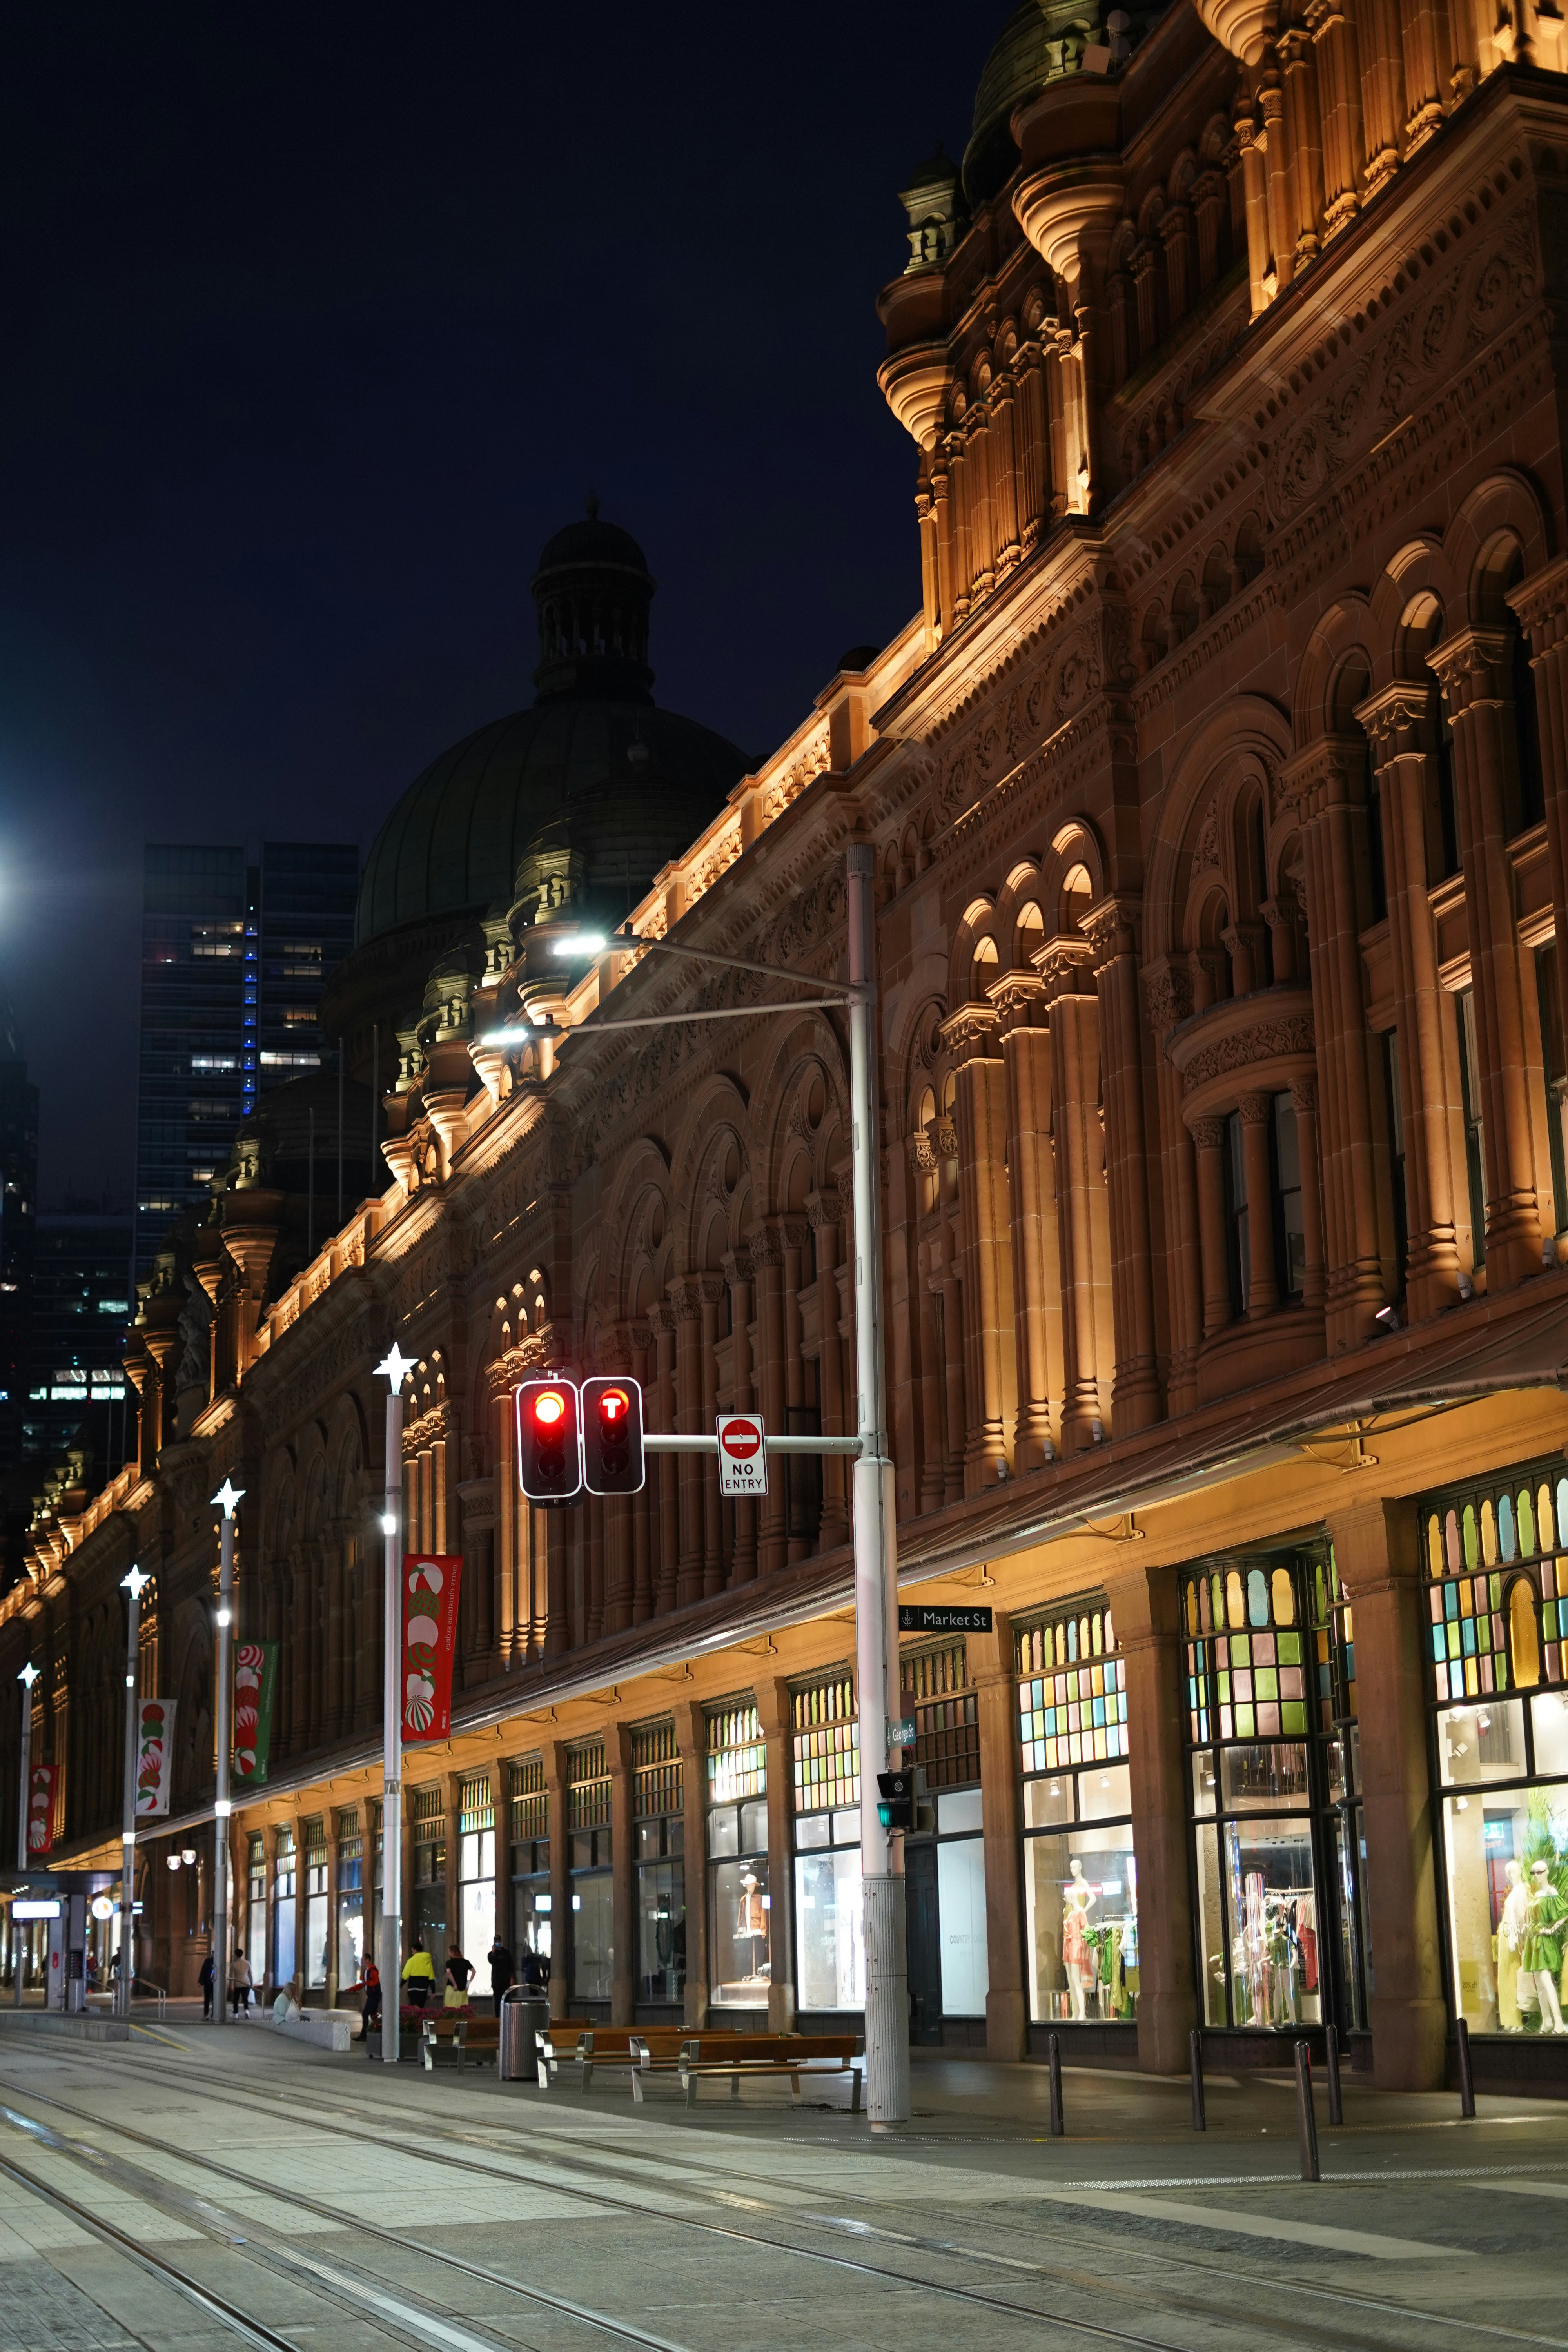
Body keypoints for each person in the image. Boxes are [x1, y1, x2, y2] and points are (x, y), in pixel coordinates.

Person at [401, 1938, 436, 2010]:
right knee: (421, 2008)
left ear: (415, 1950)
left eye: (412, 1950)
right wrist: (433, 1991)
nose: (412, 1952)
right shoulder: (427, 1960)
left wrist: (401, 1984)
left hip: (413, 1989)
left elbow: (405, 1975)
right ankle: (420, 2020)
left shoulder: (411, 1960)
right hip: (424, 1989)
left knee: (414, 2009)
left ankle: (415, 2020)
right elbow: (431, 1977)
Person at [356, 1962, 381, 2042]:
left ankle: (364, 2035)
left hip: (373, 1996)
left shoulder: (372, 1970)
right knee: (373, 2015)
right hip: (372, 1995)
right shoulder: (367, 1971)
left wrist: (368, 1984)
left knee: (365, 2014)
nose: (362, 1961)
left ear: (367, 1960)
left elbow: (375, 1981)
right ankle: (379, 2030)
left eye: (363, 1959)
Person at [444, 1943, 474, 2011]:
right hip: (463, 1990)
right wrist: (468, 1983)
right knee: (462, 2011)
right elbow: (474, 1971)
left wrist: (455, 1984)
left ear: (452, 1952)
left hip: (452, 1990)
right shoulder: (466, 1962)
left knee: (450, 2010)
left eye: (449, 1952)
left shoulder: (449, 1963)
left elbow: (449, 1972)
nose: (448, 1953)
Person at [487, 1937, 513, 2011]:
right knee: (498, 2001)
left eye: (498, 1941)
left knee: (506, 2000)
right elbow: (492, 1961)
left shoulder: (506, 1953)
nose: (497, 1942)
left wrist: (512, 1978)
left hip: (505, 1981)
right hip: (496, 1981)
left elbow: (511, 1965)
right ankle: (498, 2018)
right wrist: (493, 1951)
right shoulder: (491, 1954)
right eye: (496, 1941)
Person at [230, 1953, 253, 2018]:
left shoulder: (234, 1964)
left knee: (236, 2000)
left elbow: (233, 1976)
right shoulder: (248, 1963)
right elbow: (250, 1974)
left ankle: (236, 2013)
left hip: (237, 1984)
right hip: (246, 1983)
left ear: (236, 1955)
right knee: (245, 1998)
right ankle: (247, 2011)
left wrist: (232, 1985)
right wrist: (252, 1983)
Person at [198, 1950, 215, 2020]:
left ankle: (206, 2015)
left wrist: (200, 1982)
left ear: (212, 1954)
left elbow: (204, 1971)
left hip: (208, 1983)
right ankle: (214, 2015)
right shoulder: (220, 1961)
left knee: (207, 2000)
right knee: (215, 2000)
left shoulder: (208, 1961)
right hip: (216, 1984)